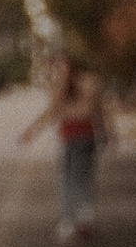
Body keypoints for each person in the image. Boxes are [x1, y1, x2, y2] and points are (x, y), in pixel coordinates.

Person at [22, 55, 110, 236]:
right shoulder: (89, 83)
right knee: (83, 177)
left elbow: (50, 113)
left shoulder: (62, 87)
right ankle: (85, 214)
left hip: (72, 136)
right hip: (85, 136)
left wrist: (32, 130)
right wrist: (105, 133)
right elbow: (100, 111)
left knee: (67, 180)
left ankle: (68, 222)